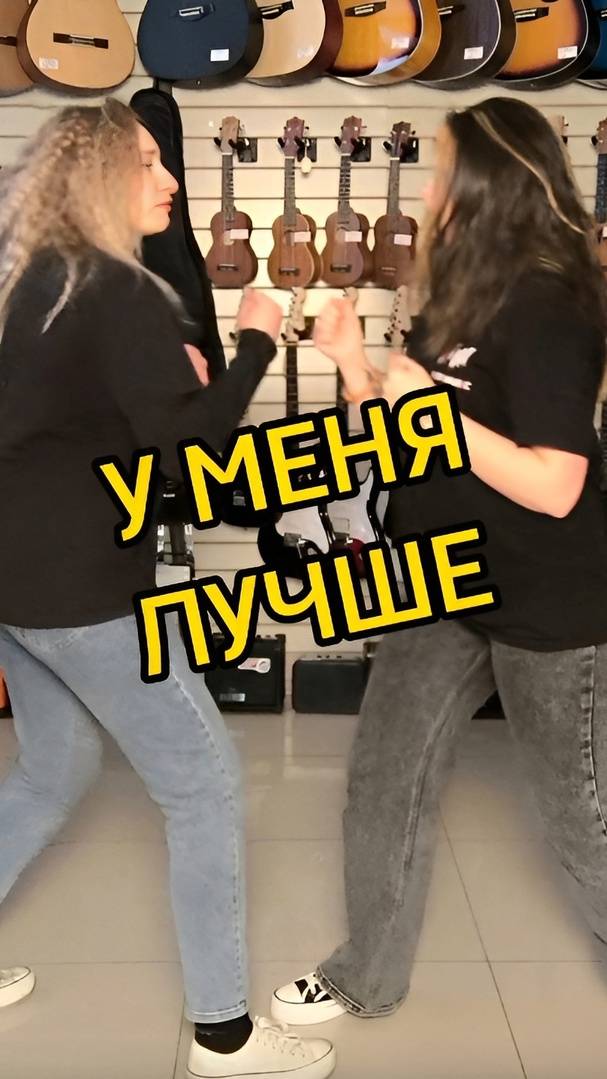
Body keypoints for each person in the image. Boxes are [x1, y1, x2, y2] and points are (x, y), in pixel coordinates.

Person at [0, 99, 335, 1079]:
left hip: (17, 582)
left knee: (53, 769)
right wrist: (257, 340)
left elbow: (70, 421)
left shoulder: (37, 280)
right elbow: (193, 451)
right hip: (82, 591)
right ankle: (225, 1034)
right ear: (101, 175)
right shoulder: (120, 289)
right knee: (204, 784)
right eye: (148, 162)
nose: (172, 179)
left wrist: (163, 387)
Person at [271, 97, 607, 1027]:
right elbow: (396, 441)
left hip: (547, 598)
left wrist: (436, 412)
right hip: (442, 579)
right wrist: (353, 367)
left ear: (488, 185)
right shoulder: (459, 296)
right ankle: (365, 973)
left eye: (440, 173)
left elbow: (555, 485)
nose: (424, 194)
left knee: (579, 814)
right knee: (384, 778)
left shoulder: (547, 305)